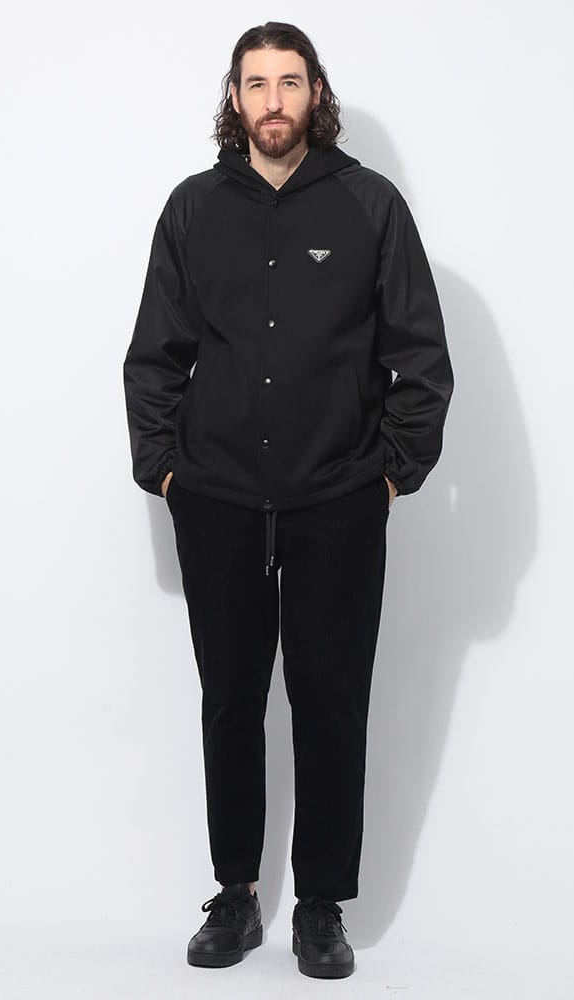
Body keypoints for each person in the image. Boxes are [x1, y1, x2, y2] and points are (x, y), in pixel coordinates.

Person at [123, 21, 453, 979]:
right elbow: (154, 358)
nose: (274, 101)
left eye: (291, 82)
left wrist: (389, 473)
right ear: (234, 97)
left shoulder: (370, 206)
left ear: (317, 93)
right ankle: (234, 892)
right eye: (257, 83)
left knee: (330, 700)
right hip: (219, 497)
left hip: (336, 500)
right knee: (230, 699)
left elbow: (422, 358)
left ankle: (321, 905)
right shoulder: (192, 209)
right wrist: (167, 471)